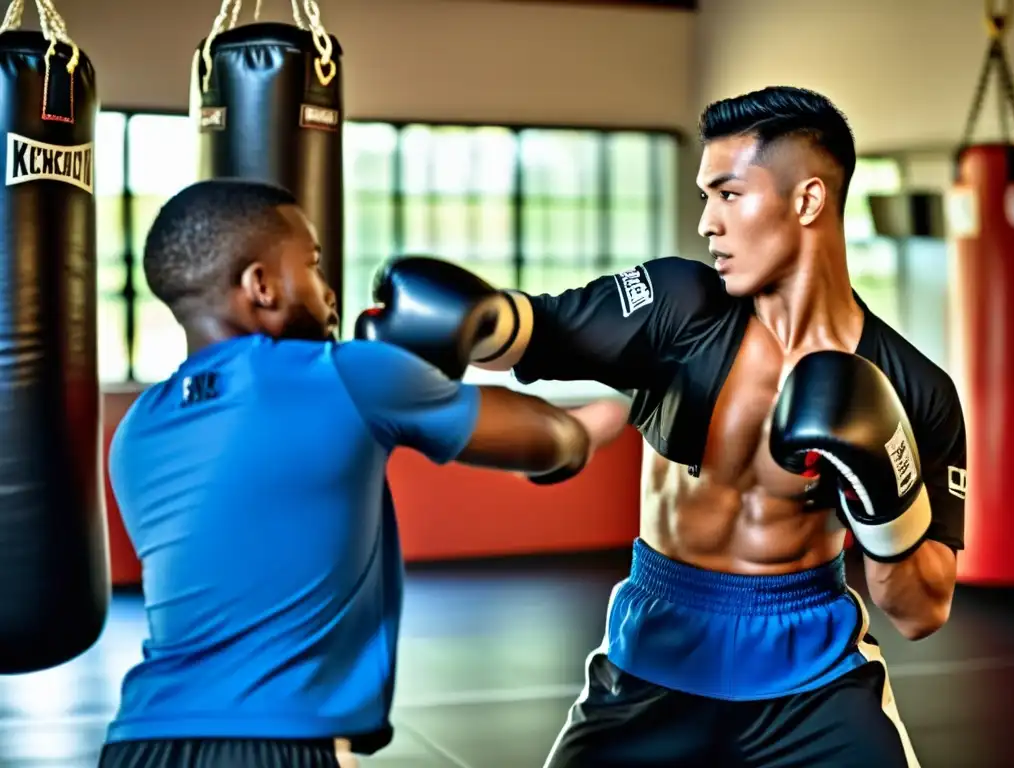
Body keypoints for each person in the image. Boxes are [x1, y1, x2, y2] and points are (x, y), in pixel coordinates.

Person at [368, 87, 967, 767]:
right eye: (704, 196)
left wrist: (887, 495)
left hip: (815, 678)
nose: (708, 222)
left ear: (806, 201)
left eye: (729, 194)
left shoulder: (914, 388)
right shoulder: (679, 305)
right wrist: (477, 321)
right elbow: (544, 328)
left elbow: (921, 611)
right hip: (656, 656)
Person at [97, 178, 629, 768]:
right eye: (314, 266)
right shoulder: (345, 374)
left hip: (137, 741)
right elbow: (554, 439)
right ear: (261, 285)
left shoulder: (136, 430)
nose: (329, 294)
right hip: (276, 743)